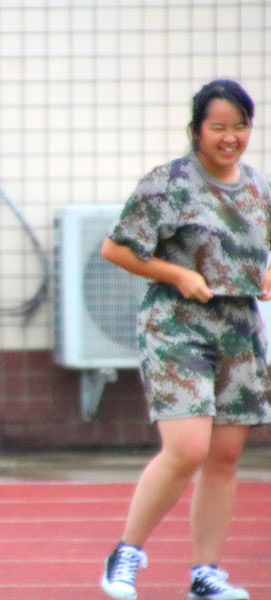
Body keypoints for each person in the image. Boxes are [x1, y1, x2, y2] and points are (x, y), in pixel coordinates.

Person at [99, 79, 271, 600]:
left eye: (239, 126)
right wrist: (177, 274)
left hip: (240, 330)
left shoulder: (259, 188)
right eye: (218, 126)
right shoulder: (167, 183)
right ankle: (126, 552)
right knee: (188, 448)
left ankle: (205, 574)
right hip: (177, 325)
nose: (230, 137)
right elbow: (116, 249)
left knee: (223, 456)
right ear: (196, 130)